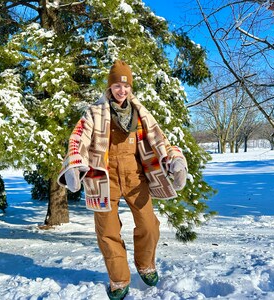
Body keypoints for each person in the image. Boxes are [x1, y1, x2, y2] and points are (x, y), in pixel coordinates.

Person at [57, 60, 188, 300]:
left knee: (149, 225)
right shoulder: (95, 112)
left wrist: (174, 159)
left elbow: (159, 139)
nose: (122, 90)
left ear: (131, 88)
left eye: (126, 86)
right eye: (117, 85)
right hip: (103, 178)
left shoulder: (140, 113)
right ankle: (118, 279)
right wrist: (75, 163)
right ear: (110, 87)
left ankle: (146, 264)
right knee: (108, 231)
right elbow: (78, 138)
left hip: (136, 177)